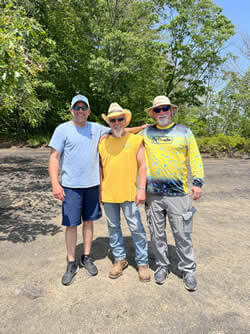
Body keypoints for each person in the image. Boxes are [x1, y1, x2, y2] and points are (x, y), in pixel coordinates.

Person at [49, 95, 147, 286]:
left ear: (88, 110)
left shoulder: (96, 129)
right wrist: (55, 183)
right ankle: (71, 262)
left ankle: (87, 257)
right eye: (76, 107)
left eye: (83, 107)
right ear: (71, 110)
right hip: (72, 187)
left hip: (93, 186)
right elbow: (54, 157)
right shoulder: (63, 130)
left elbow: (121, 129)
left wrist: (143, 128)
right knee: (72, 225)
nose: (80, 110)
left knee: (89, 223)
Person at [139, 95, 204, 291]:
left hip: (179, 194)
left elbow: (195, 158)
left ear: (171, 110)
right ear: (153, 114)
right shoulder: (146, 132)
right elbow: (121, 137)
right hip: (153, 194)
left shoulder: (184, 131)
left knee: (182, 234)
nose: (161, 113)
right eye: (157, 110)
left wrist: (198, 182)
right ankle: (162, 266)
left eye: (164, 109)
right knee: (156, 234)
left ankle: (188, 269)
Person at [99, 103, 151, 282]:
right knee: (113, 228)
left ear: (125, 120)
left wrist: (142, 189)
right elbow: (100, 168)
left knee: (136, 228)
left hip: (130, 193)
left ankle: (143, 263)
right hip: (108, 193)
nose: (117, 122)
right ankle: (120, 259)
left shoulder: (136, 140)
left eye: (120, 119)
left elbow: (143, 166)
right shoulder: (102, 142)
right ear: (109, 122)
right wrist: (100, 190)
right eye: (113, 120)